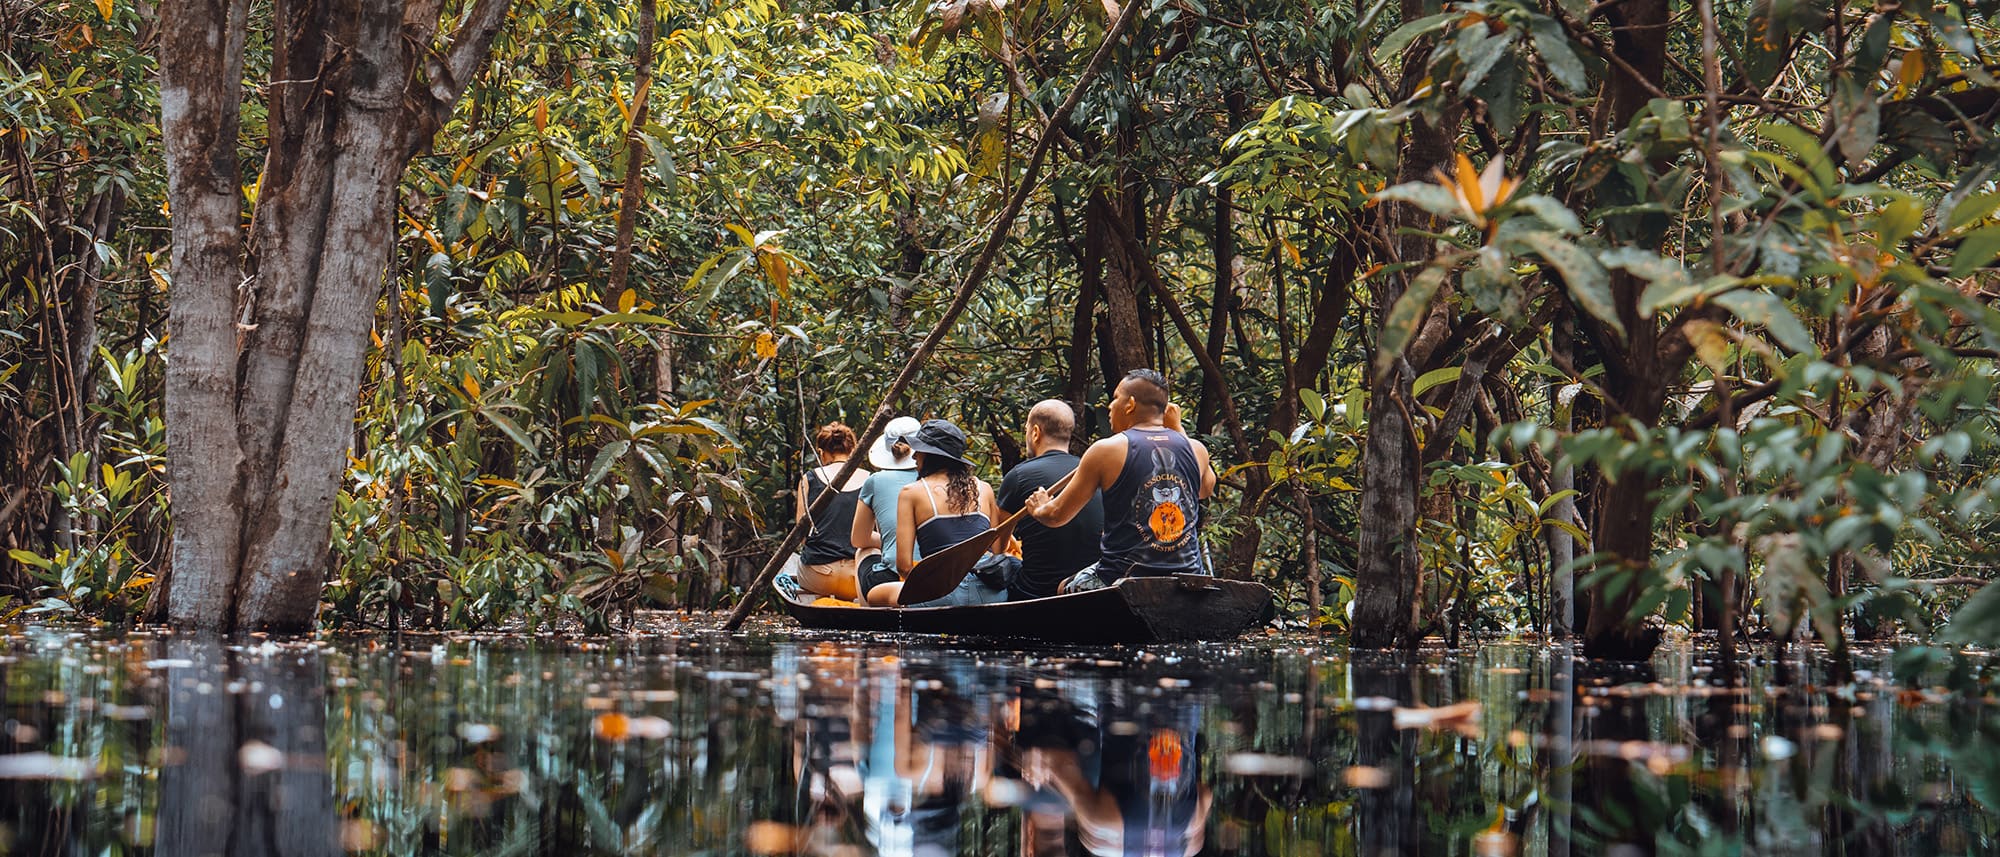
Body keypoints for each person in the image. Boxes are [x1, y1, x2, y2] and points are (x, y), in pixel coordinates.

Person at [1024, 369, 1216, 591]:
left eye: (1115, 398)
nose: (1109, 406)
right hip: (1188, 576)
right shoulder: (1195, 448)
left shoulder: (1106, 449)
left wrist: (1039, 507)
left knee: (1064, 587)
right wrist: (1178, 428)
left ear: (1130, 404)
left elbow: (1056, 516)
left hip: (1122, 577)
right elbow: (1204, 489)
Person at [863, 419, 1009, 607]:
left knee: (875, 594)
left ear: (931, 455)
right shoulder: (984, 488)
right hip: (990, 592)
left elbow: (904, 566)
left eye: (919, 451)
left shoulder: (911, 493)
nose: (914, 457)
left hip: (940, 593)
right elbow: (997, 551)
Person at [997, 400, 1103, 600]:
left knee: (1005, 565)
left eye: (1027, 429)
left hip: (1036, 591)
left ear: (1035, 432)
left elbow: (997, 548)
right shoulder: (1090, 472)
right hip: (1089, 586)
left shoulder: (1019, 475)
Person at [851, 416, 923, 600]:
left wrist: (893, 540)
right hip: (932, 574)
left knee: (864, 551)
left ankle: (868, 610)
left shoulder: (876, 481)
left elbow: (859, 539)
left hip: (894, 576)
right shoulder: (934, 480)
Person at [796, 421, 870, 599]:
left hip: (818, 576)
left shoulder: (809, 478)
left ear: (821, 453)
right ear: (852, 451)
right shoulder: (870, 479)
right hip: (856, 578)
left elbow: (802, 532)